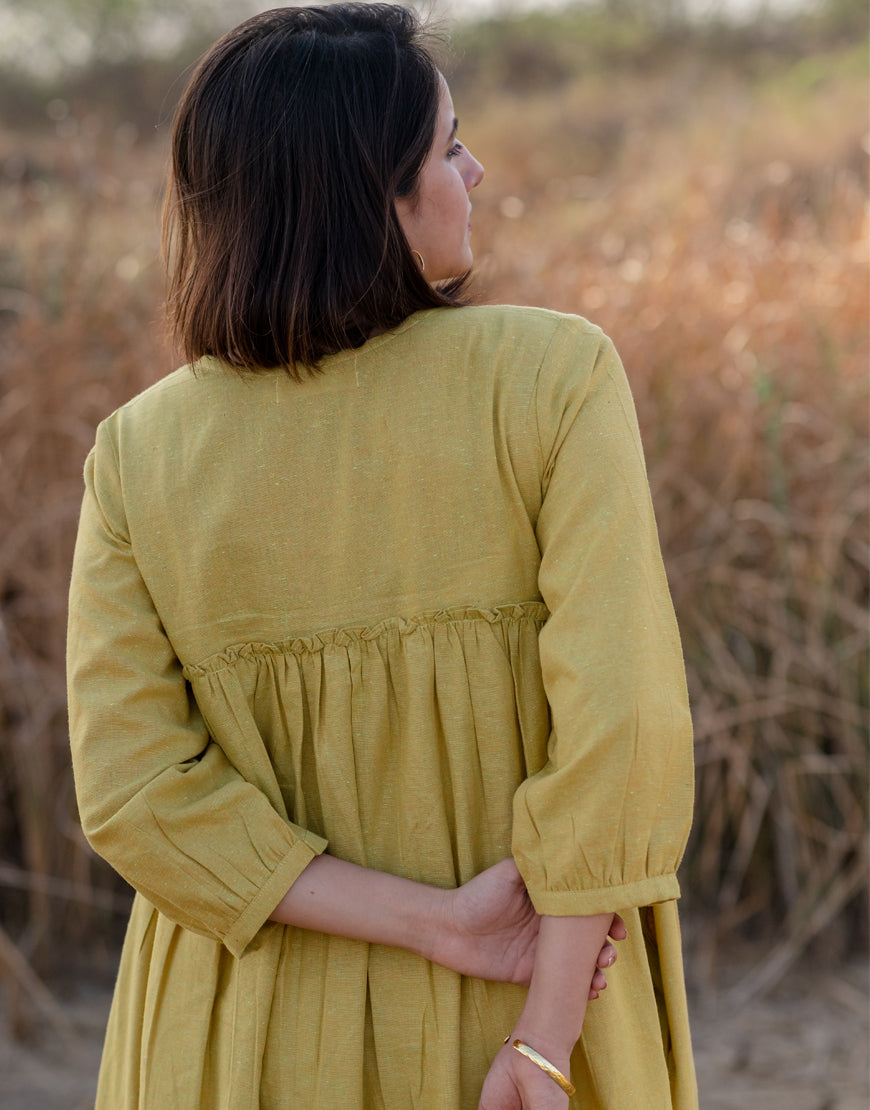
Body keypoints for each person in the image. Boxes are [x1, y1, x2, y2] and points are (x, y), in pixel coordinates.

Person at [67, 5, 697, 1108]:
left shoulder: (138, 454)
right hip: (527, 1016)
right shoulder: (552, 377)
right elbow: (622, 729)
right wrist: (545, 1043)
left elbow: (133, 792)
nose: (479, 168)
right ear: (371, 193)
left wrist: (433, 923)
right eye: (449, 146)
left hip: (227, 1040)